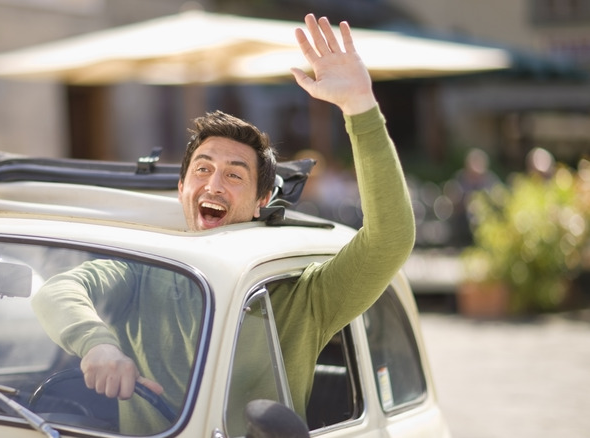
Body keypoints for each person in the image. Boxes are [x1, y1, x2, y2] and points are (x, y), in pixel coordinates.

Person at [31, 13, 415, 433]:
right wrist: (96, 345)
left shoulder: (301, 296)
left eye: (234, 175)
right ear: (181, 188)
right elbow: (58, 289)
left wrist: (360, 106)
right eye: (202, 169)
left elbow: (389, 240)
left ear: (261, 201)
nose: (214, 184)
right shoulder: (142, 272)